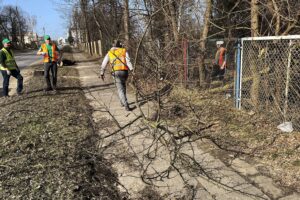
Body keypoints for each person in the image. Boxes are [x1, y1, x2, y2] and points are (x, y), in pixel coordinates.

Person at [100, 40, 133, 111]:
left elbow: (104, 64)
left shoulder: (110, 53)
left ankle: (125, 104)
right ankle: (122, 102)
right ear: (120, 45)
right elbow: (128, 61)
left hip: (116, 73)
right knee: (123, 87)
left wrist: (102, 73)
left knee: (120, 89)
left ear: (112, 45)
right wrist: (132, 70)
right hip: (124, 72)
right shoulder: (124, 51)